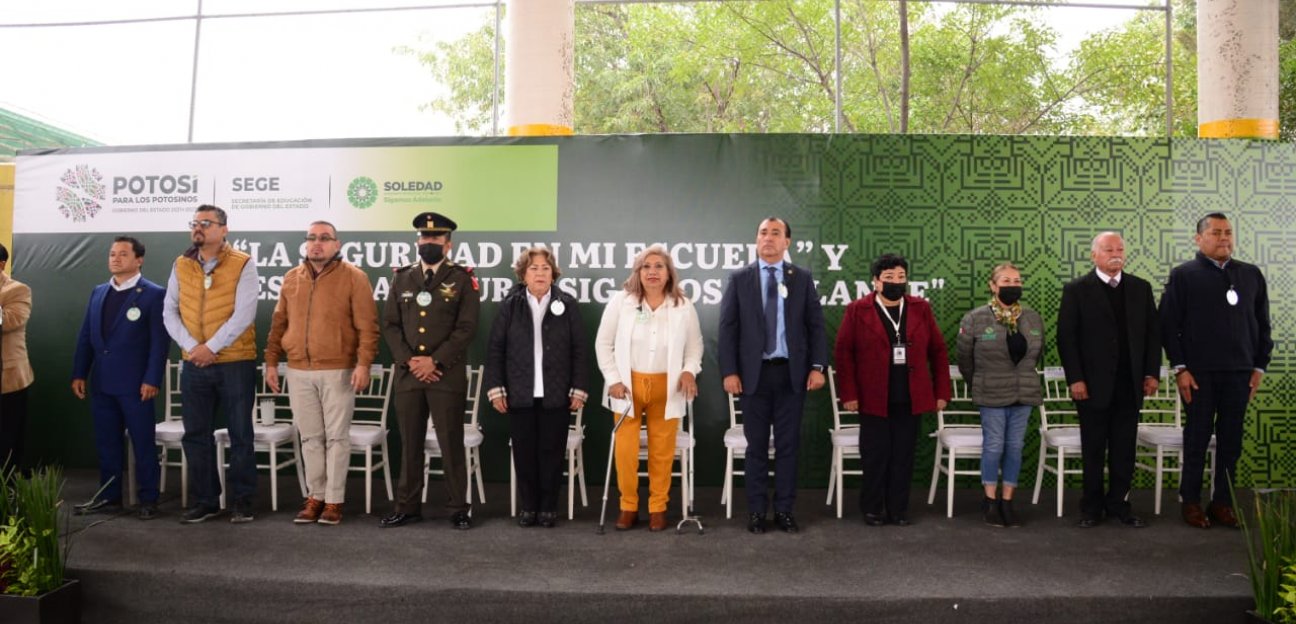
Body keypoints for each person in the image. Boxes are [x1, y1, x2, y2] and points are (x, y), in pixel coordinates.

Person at [1160, 213, 1272, 529]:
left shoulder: (1250, 274)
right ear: (1199, 239)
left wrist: (1258, 367)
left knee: (1230, 441)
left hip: (1240, 373)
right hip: (1198, 374)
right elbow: (1169, 326)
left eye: (1228, 232)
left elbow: (1263, 325)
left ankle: (1222, 502)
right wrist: (1180, 369)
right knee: (1196, 439)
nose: (1224, 238)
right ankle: (1191, 501)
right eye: (1216, 232)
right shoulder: (1183, 275)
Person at [264, 221, 379, 526]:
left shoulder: (355, 278)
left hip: (338, 370)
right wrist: (272, 361)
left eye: (324, 238)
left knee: (337, 439)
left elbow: (368, 327)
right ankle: (314, 496)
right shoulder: (291, 278)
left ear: (337, 244)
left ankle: (334, 500)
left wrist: (363, 364)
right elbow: (278, 324)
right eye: (312, 238)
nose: (317, 243)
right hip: (298, 370)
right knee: (311, 438)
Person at [718, 217, 828, 534]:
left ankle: (784, 510)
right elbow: (727, 330)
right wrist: (729, 371)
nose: (768, 238)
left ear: (787, 242)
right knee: (755, 448)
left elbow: (815, 326)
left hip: (791, 375)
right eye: (763, 233)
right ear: (756, 240)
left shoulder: (801, 279)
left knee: (788, 446)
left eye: (775, 233)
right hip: (753, 377)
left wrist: (818, 366)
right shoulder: (740, 279)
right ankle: (756, 512)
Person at [380, 212, 480, 530]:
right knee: (410, 442)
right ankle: (407, 506)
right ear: (417, 241)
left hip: (445, 375)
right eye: (425, 237)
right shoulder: (402, 277)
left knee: (450, 441)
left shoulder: (462, 278)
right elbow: (391, 325)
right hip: (409, 375)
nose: (429, 242)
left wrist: (434, 361)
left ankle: (457, 508)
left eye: (436, 238)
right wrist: (411, 361)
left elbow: (466, 328)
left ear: (448, 245)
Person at [834, 254, 950, 526]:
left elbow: (938, 351)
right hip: (873, 397)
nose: (896, 283)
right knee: (876, 455)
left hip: (911, 396)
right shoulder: (857, 310)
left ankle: (898, 509)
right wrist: (848, 394)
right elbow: (843, 354)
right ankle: (873, 508)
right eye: (889, 278)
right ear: (875, 282)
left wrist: (941, 391)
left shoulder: (921, 308)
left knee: (903, 455)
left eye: (901, 277)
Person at [163, 205, 260, 524]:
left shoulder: (243, 263)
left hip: (235, 362)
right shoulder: (181, 264)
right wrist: (193, 348)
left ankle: (243, 500)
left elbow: (244, 313)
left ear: (224, 229)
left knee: (241, 432)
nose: (198, 228)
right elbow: (169, 312)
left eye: (206, 223)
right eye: (195, 223)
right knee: (195, 433)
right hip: (194, 363)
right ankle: (206, 500)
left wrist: (212, 347)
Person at [595, 245, 702, 532]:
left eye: (658, 266)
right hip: (627, 388)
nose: (652, 272)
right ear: (638, 272)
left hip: (666, 388)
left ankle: (658, 507)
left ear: (669, 273)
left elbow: (695, 347)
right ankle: (628, 506)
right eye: (646, 266)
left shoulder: (683, 305)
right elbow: (603, 343)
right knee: (626, 450)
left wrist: (689, 372)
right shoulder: (622, 301)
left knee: (662, 451)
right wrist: (613, 379)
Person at [1057, 232, 1160, 529]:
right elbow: (1067, 338)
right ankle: (1091, 508)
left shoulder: (1141, 288)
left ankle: (1120, 505)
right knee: (1093, 449)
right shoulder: (1077, 290)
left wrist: (1151, 372)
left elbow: (1153, 334)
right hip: (1090, 386)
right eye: (1108, 249)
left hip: (1130, 384)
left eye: (1120, 249)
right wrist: (1075, 378)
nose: (1116, 253)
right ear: (1094, 255)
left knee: (1124, 449)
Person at [485, 247, 589, 528]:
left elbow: (580, 349)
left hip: (556, 394)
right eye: (534, 268)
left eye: (545, 268)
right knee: (525, 454)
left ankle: (548, 508)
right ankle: (528, 507)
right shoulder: (510, 305)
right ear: (523, 274)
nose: (540, 273)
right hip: (520, 394)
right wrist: (496, 388)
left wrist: (579, 388)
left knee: (551, 454)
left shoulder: (567, 303)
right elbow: (496, 349)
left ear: (553, 273)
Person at [70, 237, 170, 520]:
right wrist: (80, 371)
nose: (115, 258)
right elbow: (86, 336)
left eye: (123, 254)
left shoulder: (153, 294)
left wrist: (152, 378)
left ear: (139, 260)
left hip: (137, 385)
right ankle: (109, 497)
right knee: (107, 443)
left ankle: (149, 499)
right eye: (112, 254)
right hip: (102, 383)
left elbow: (158, 343)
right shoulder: (98, 292)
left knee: (143, 444)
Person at [956, 262, 1043, 528]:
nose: (1012, 286)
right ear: (993, 286)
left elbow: (1038, 353)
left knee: (1015, 447)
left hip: (1024, 392)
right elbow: (964, 359)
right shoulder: (975, 318)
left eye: (1017, 281)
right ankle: (990, 501)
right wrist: (980, 382)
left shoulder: (1032, 317)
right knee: (994, 446)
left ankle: (1008, 501)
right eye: (1006, 281)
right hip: (990, 391)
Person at [0, 243, 33, 470]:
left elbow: (8, 321)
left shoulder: (18, 290)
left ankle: (7, 496)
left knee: (6, 442)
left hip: (8, 380)